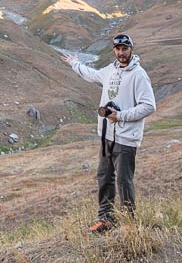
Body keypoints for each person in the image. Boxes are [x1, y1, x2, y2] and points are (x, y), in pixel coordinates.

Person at [62, 33, 156, 233]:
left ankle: (129, 224)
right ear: (114, 50)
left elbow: (149, 106)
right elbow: (91, 74)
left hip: (126, 138)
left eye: (125, 49)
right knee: (104, 177)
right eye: (118, 49)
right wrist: (74, 63)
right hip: (107, 136)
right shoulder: (110, 70)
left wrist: (120, 116)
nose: (121, 53)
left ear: (131, 49)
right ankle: (105, 219)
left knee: (124, 181)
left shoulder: (139, 75)